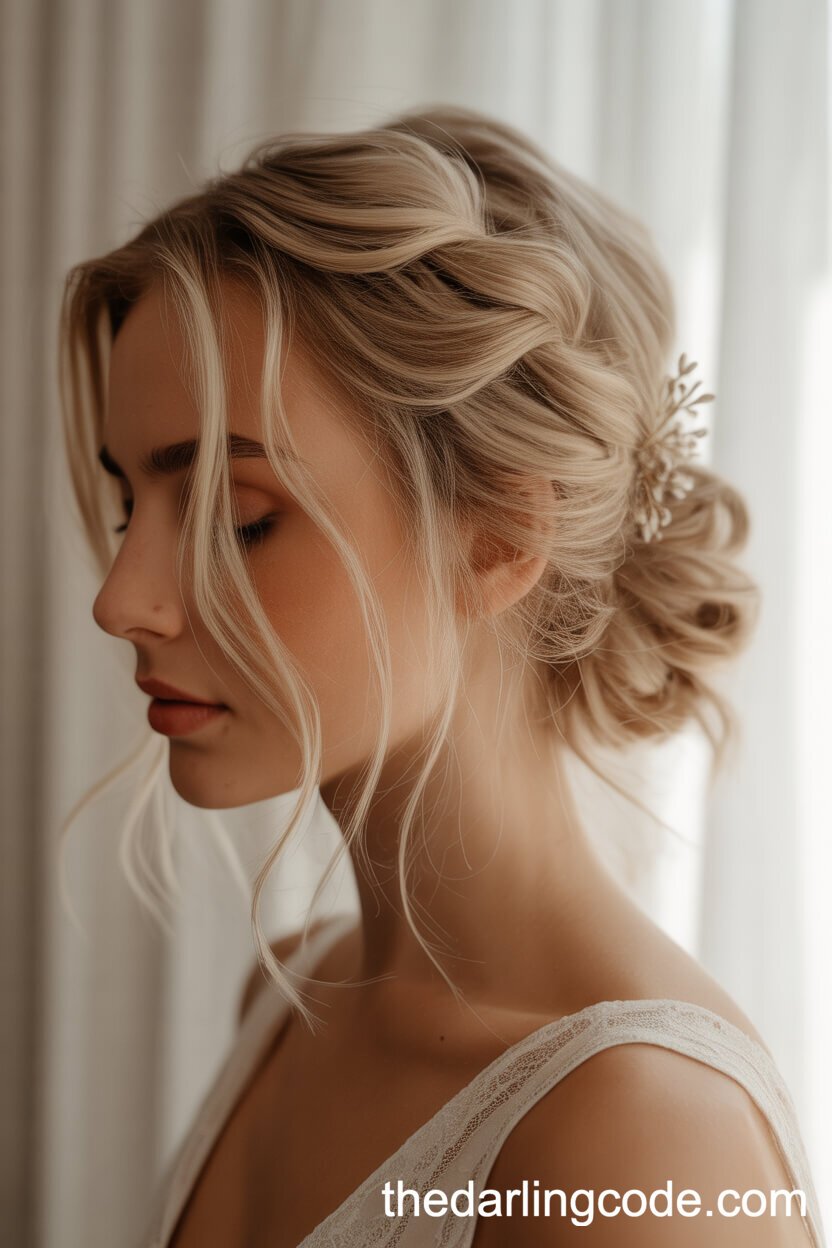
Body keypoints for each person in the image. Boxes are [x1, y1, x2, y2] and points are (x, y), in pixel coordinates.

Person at [59, 105, 825, 1246]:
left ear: (499, 536)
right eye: (132, 506)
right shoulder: (288, 1001)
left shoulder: (641, 1141)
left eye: (235, 513)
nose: (121, 598)